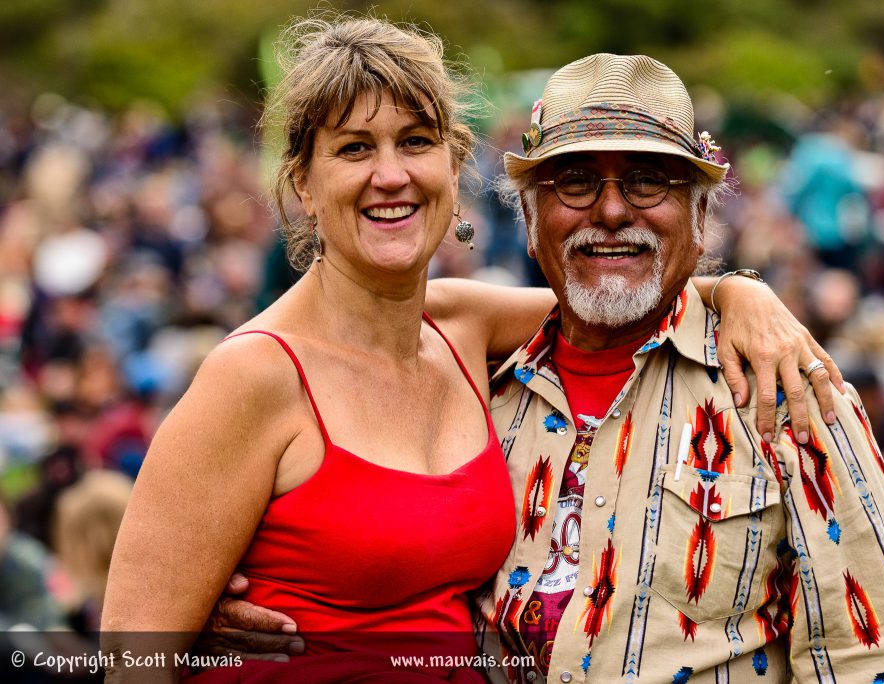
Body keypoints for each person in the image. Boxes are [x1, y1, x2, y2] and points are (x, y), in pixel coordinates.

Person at [102, 16, 845, 683]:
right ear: (302, 181)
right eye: (354, 148)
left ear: (455, 170)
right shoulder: (255, 376)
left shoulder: (461, 328)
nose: (389, 174)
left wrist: (744, 293)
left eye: (416, 142)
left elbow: (623, 294)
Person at [482, 55, 884, 681]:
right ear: (529, 219)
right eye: (575, 181)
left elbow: (875, 656)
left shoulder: (785, 390)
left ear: (700, 218)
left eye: (647, 181)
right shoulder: (479, 388)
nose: (610, 212)